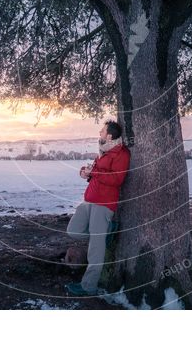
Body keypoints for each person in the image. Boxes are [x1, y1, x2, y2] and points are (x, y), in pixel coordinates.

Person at [64, 119, 130, 296]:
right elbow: (97, 173)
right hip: (89, 201)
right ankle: (108, 231)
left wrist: (94, 173)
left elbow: (117, 179)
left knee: (96, 247)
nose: (99, 133)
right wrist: (86, 173)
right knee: (73, 230)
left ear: (109, 135)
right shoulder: (103, 152)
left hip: (104, 204)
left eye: (102, 130)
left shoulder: (121, 154)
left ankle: (88, 286)